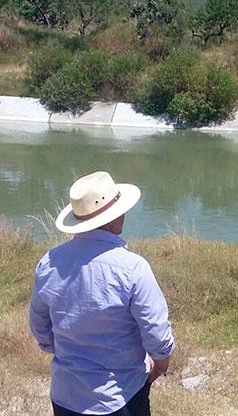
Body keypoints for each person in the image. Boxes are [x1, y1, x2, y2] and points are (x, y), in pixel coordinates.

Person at [29, 171, 175, 416]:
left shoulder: (49, 263)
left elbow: (39, 328)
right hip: (120, 398)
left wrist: (71, 356)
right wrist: (160, 366)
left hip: (66, 395)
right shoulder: (133, 268)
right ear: (113, 218)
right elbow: (157, 335)